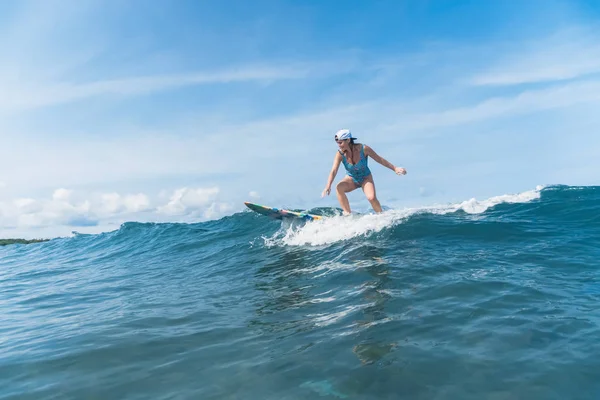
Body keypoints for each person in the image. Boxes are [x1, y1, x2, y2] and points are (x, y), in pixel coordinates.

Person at [321, 129, 406, 214]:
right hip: (351, 179)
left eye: (341, 142)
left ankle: (381, 215)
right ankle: (347, 214)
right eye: (338, 143)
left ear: (348, 140)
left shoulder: (364, 149)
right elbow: (334, 170)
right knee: (339, 187)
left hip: (366, 178)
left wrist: (395, 168)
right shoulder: (340, 154)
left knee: (371, 198)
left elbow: (379, 159)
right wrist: (328, 186)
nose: (339, 145)